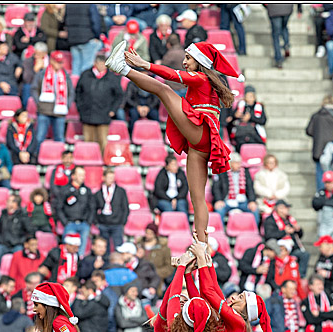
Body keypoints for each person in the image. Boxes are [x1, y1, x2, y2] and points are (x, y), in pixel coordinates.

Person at [107, 39, 238, 249]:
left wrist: (144, 64)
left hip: (201, 133)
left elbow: (172, 76)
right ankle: (201, 246)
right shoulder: (209, 81)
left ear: (199, 61)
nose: (185, 62)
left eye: (188, 58)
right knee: (197, 200)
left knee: (164, 90)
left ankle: (121, 68)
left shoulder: (201, 77)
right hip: (201, 147)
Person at [306, 95, 333, 189]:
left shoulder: (316, 115)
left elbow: (309, 131)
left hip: (319, 149)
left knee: (321, 174)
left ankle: (321, 194)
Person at [33, 51, 72, 142]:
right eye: (57, 62)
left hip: (60, 111)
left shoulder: (65, 75)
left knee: (59, 138)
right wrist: (39, 103)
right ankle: (37, 155)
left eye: (61, 62)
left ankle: (58, 156)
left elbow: (71, 92)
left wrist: (67, 105)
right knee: (40, 137)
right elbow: (34, 89)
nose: (59, 64)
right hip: (44, 110)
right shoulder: (42, 73)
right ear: (51, 61)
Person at [211, 153, 258, 222]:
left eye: (240, 163)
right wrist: (218, 200)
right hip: (227, 201)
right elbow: (216, 188)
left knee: (255, 210)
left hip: (242, 201)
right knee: (219, 210)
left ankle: (254, 230)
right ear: (230, 163)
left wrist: (252, 201)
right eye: (237, 163)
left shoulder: (245, 172)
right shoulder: (221, 172)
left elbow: (250, 187)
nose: (239, 165)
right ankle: (220, 231)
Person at [54, 167, 94, 245]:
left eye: (83, 175)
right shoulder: (65, 190)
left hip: (84, 224)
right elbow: (59, 207)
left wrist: (88, 222)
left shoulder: (87, 190)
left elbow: (92, 207)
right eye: (80, 175)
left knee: (82, 250)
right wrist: (65, 222)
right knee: (69, 248)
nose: (82, 177)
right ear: (73, 176)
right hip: (70, 223)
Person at [95, 169, 129, 248]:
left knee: (119, 247)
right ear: (103, 178)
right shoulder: (98, 193)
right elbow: (93, 208)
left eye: (112, 178)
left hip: (117, 224)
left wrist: (122, 222)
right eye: (109, 178)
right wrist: (97, 222)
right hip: (103, 224)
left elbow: (125, 208)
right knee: (104, 248)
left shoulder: (121, 191)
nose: (111, 180)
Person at [0, 195, 32, 260]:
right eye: (8, 201)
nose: (7, 203)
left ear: (16, 204)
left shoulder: (23, 215)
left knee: (19, 253)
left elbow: (29, 231)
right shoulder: (3, 215)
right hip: (4, 244)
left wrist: (20, 241)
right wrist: (0, 240)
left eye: (10, 201)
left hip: (17, 245)